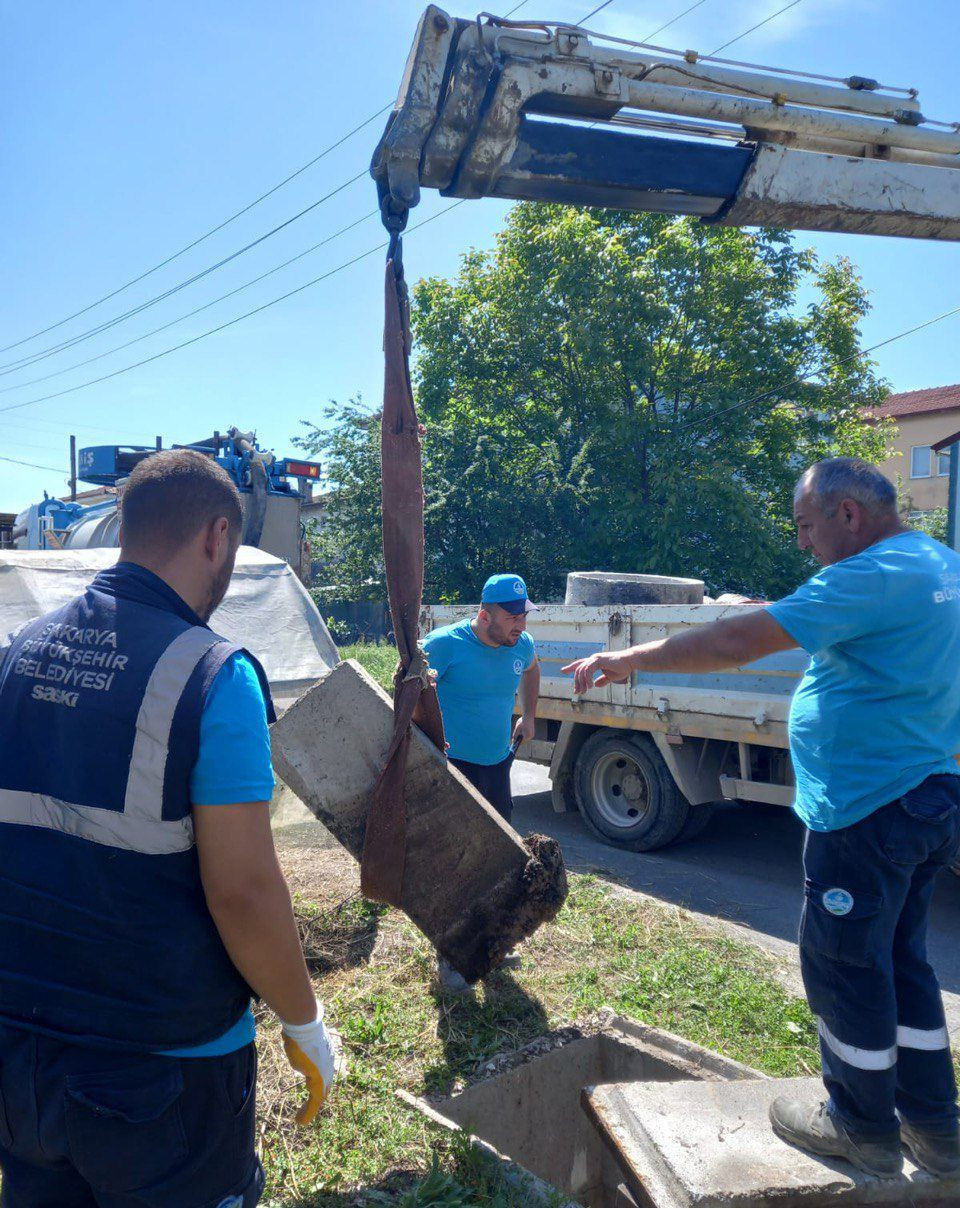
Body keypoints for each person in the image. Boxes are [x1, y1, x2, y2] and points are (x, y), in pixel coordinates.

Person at [564, 457, 960, 1181]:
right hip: (928, 791)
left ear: (849, 515)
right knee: (903, 962)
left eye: (808, 526)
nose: (804, 543)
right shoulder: (939, 564)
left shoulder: (869, 576)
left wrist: (630, 660)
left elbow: (731, 643)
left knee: (845, 965)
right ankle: (936, 1132)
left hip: (865, 807)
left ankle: (860, 1126)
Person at [0, 450, 337, 1207]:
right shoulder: (215, 674)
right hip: (162, 1075)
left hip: (19, 1057)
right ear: (217, 537)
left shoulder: (15, 656)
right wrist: (304, 1020)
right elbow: (245, 893)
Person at [423, 573, 541, 989]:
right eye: (511, 617)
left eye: (523, 615)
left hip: (497, 766)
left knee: (498, 856)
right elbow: (405, 682)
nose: (520, 625)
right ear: (484, 615)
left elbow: (531, 668)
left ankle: (492, 945)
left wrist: (528, 715)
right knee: (457, 862)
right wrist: (424, 691)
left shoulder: (520, 645)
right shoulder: (445, 644)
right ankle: (450, 957)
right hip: (453, 766)